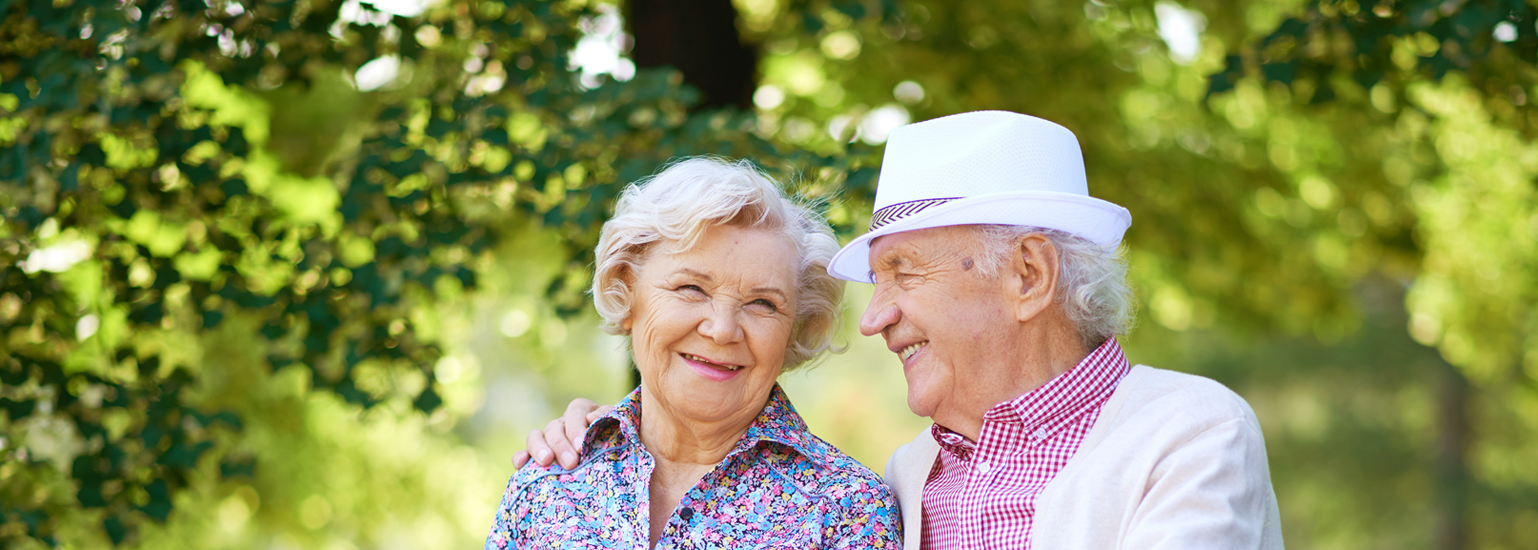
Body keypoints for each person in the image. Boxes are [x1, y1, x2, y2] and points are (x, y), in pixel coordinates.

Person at [520, 111, 1284, 549]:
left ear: (1028, 275)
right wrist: (603, 428)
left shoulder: (1188, 434)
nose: (875, 316)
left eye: (904, 273)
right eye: (876, 279)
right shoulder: (907, 480)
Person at [486, 157, 901, 549]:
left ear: (795, 329)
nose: (722, 329)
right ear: (626, 290)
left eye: (763, 303)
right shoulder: (546, 488)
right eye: (691, 288)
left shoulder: (847, 511)